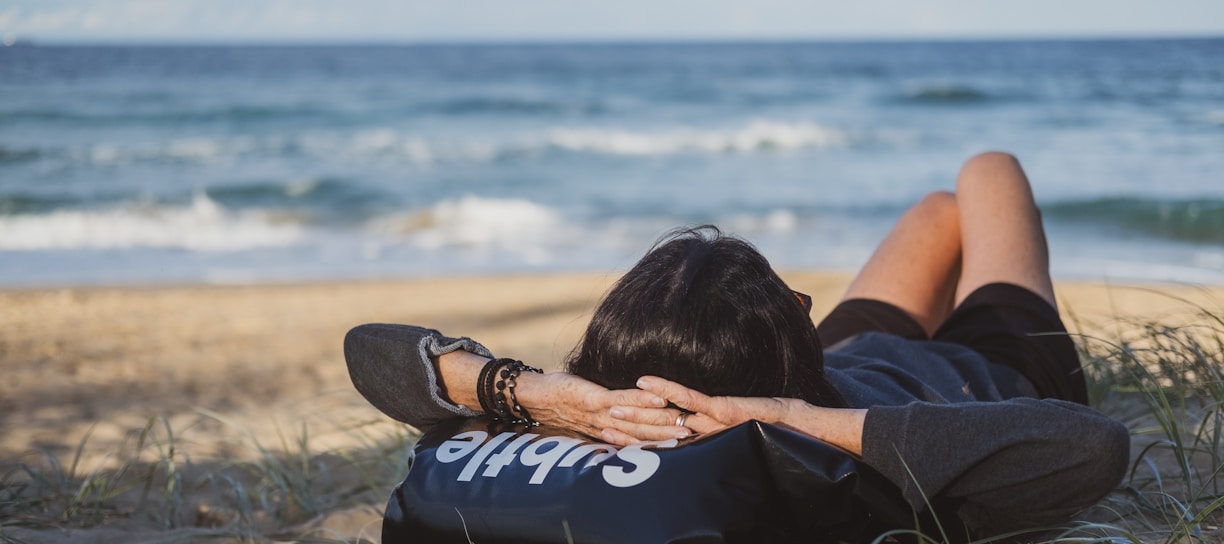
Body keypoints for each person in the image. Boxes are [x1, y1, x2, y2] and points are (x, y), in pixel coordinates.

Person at [345, 152, 1130, 537]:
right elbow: (1094, 448)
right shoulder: (826, 464)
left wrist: (541, 393)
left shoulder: (603, 416)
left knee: (935, 210)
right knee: (986, 172)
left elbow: (369, 350)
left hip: (841, 356)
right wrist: (799, 416)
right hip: (980, 367)